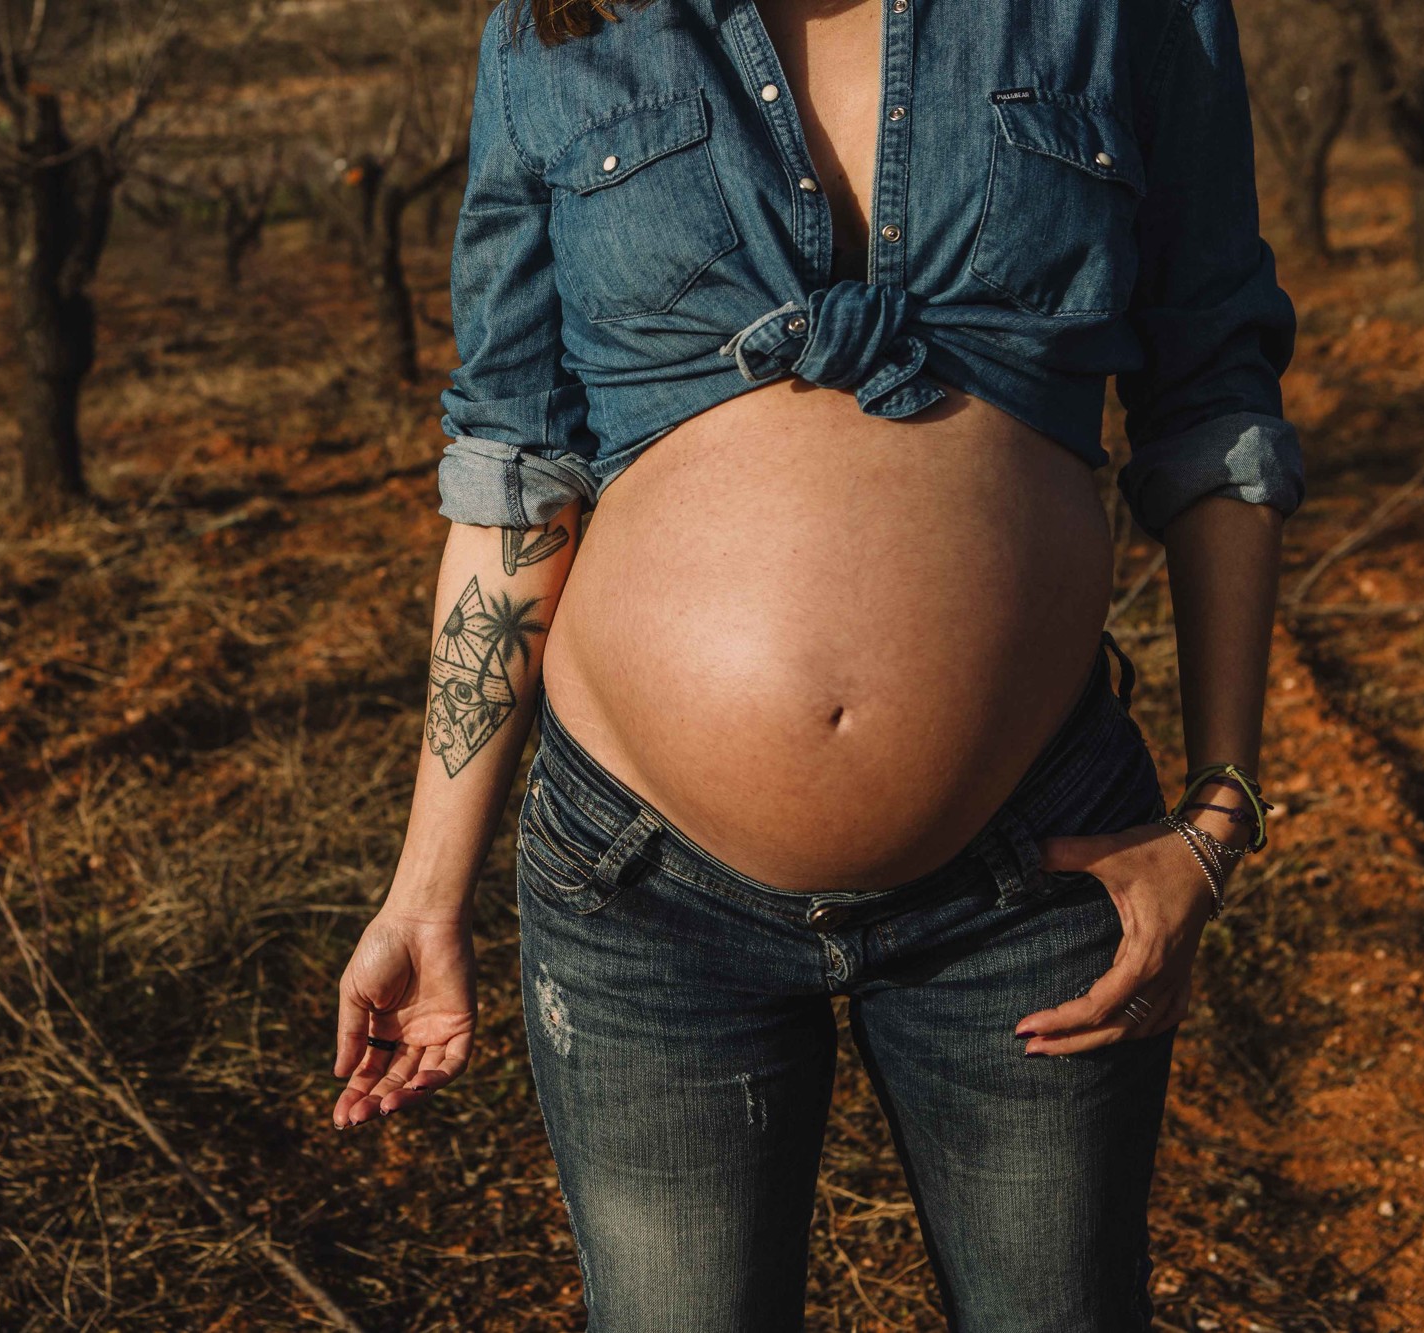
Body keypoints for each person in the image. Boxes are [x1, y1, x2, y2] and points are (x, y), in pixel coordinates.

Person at [330, 0, 1301, 1327]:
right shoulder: (558, 30)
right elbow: (514, 470)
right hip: (641, 889)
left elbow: (1218, 397)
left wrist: (1220, 812)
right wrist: (424, 896)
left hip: (1034, 872)